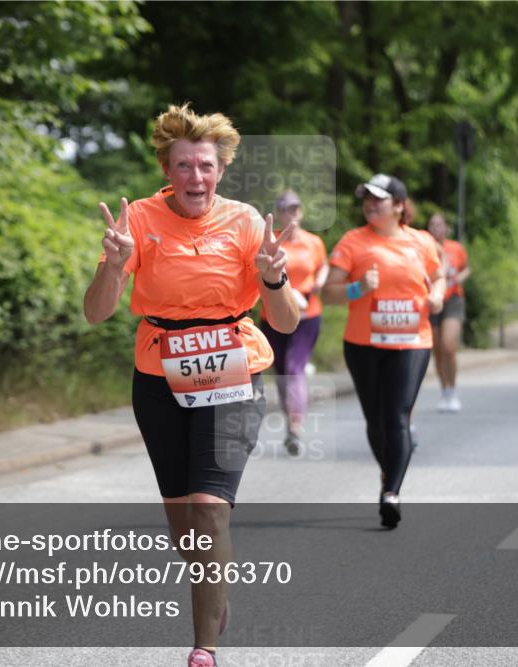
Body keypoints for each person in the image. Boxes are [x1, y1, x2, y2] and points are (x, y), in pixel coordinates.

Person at [83, 104, 299, 667]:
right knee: (185, 529)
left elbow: (286, 322)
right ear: (167, 168)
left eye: (205, 166)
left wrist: (274, 276)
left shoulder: (246, 223)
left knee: (209, 510)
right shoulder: (139, 220)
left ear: (221, 169)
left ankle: (204, 648)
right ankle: (214, 590)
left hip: (232, 370)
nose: (195, 177)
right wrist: (113, 265)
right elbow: (96, 313)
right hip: (159, 377)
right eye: (183, 166)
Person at [321, 174, 445, 528]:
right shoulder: (352, 241)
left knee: (397, 416)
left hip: (411, 342)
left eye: (378, 199)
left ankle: (391, 492)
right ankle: (389, 471)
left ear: (399, 206)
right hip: (363, 344)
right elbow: (328, 293)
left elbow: (438, 276)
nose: (370, 204)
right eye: (366, 199)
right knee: (375, 421)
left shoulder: (421, 241)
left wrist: (437, 295)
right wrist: (358, 287)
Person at [259, 190, 328, 455]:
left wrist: (320, 280)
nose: (292, 213)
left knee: (294, 367)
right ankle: (291, 421)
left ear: (301, 211)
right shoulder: (272, 241)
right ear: (278, 214)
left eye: (296, 208)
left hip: (307, 315)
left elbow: (323, 265)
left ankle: (296, 427)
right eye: (287, 209)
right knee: (281, 371)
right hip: (274, 315)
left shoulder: (313, 242)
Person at [427, 213, 470, 412]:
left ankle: (452, 390)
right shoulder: (425, 247)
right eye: (432, 225)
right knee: (437, 349)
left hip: (452, 299)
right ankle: (444, 390)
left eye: (439, 224)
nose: (436, 228)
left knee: (448, 345)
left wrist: (460, 277)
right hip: (432, 300)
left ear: (446, 227)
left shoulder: (456, 248)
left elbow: (466, 268)